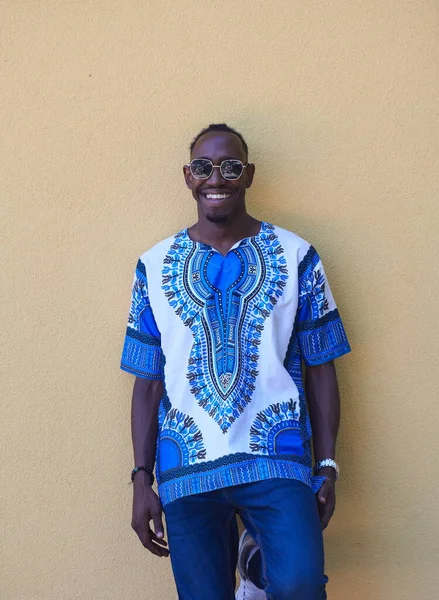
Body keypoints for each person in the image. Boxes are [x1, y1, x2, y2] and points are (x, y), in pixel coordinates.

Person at [121, 124, 351, 600]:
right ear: (188, 176)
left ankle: (257, 568)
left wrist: (327, 464)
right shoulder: (154, 265)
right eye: (203, 167)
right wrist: (142, 480)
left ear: (248, 175)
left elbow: (322, 365)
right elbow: (147, 382)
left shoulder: (296, 256)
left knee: (301, 586)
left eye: (229, 167)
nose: (215, 178)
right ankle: (251, 566)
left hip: (277, 459)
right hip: (187, 468)